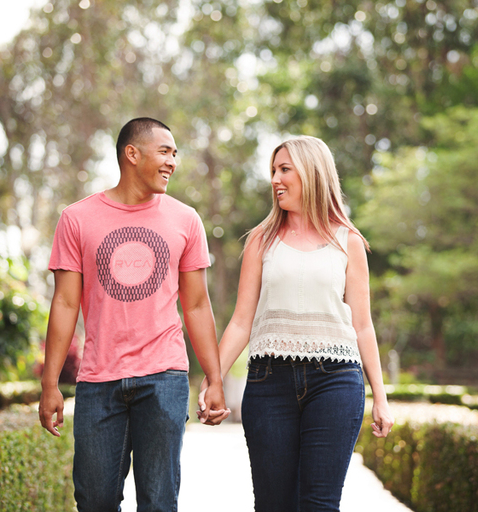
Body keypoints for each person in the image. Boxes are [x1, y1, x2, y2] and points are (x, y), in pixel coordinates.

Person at [39, 117, 230, 512]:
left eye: (175, 154)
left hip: (164, 378)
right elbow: (64, 304)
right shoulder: (77, 219)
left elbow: (196, 305)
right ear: (132, 154)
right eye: (165, 151)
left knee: (159, 502)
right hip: (98, 381)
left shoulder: (185, 219)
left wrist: (214, 378)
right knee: (94, 500)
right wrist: (50, 383)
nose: (172, 162)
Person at [199, 135, 394, 511]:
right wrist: (213, 379)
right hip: (269, 382)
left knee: (319, 504)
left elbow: (363, 325)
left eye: (285, 169)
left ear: (312, 173)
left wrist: (381, 398)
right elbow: (241, 321)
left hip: (335, 382)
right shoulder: (260, 241)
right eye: (273, 170)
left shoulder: (348, 241)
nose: (275, 179)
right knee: (273, 505)